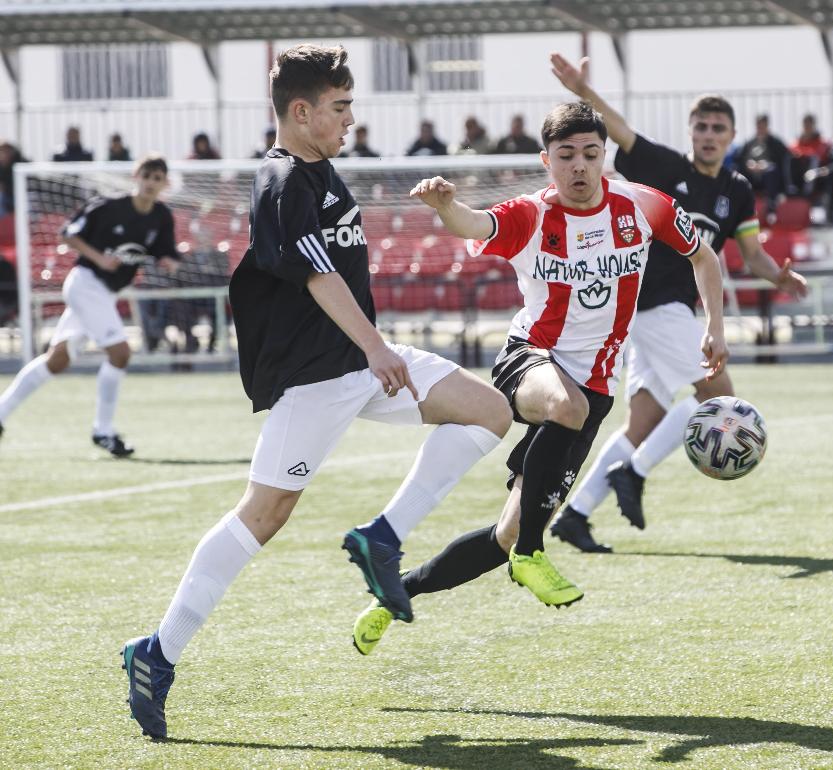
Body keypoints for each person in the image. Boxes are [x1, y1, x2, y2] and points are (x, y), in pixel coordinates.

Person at [117, 44, 512, 741]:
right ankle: (157, 651)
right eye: (339, 107)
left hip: (359, 365)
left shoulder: (320, 170)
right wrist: (375, 346)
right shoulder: (279, 182)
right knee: (264, 515)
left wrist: (371, 352)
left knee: (488, 410)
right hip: (318, 376)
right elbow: (315, 276)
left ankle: (380, 539)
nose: (349, 118)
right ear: (300, 113)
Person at [349, 98, 729, 654]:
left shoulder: (644, 207)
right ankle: (533, 552)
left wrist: (714, 325)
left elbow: (704, 257)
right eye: (567, 154)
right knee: (564, 412)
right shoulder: (533, 214)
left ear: (605, 158)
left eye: (591, 154)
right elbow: (475, 224)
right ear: (545, 159)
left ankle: (394, 597)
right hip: (529, 359)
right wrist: (444, 207)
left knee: (502, 535)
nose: (579, 166)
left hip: (595, 388)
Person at [545, 53, 808, 554]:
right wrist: (584, 90)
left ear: (732, 138)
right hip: (651, 303)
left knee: (643, 420)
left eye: (719, 128)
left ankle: (575, 516)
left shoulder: (736, 190)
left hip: (668, 314)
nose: (709, 134)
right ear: (691, 132)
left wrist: (778, 276)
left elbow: (749, 253)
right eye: (702, 126)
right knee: (718, 396)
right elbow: (620, 133)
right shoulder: (666, 167)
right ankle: (635, 472)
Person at [0, 154, 178, 452]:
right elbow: (67, 234)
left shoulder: (161, 216)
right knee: (120, 353)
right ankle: (103, 431)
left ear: (165, 184)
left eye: (157, 178)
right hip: (85, 284)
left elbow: (166, 252)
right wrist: (99, 258)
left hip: (105, 294)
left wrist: (170, 262)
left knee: (57, 360)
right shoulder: (108, 207)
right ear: (135, 176)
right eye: (146, 175)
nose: (150, 182)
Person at [738, 114, 792, 213]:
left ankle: (771, 205)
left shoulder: (776, 143)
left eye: (762, 126)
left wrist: (765, 166)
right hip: (752, 176)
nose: (760, 129)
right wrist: (749, 165)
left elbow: (782, 159)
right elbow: (740, 159)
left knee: (771, 170)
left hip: (768, 178)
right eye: (758, 126)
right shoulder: (750, 143)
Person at [790, 114, 830, 201]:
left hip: (817, 176)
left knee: (813, 160)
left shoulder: (821, 142)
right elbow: (792, 151)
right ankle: (791, 189)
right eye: (805, 125)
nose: (807, 128)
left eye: (809, 125)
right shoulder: (798, 142)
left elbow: (819, 155)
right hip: (800, 173)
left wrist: (804, 154)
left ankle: (807, 193)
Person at [0, 141, 28, 214]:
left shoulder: (21, 161)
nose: (3, 154)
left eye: (5, 151)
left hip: (23, 195)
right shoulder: (1, 166)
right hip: (7, 196)